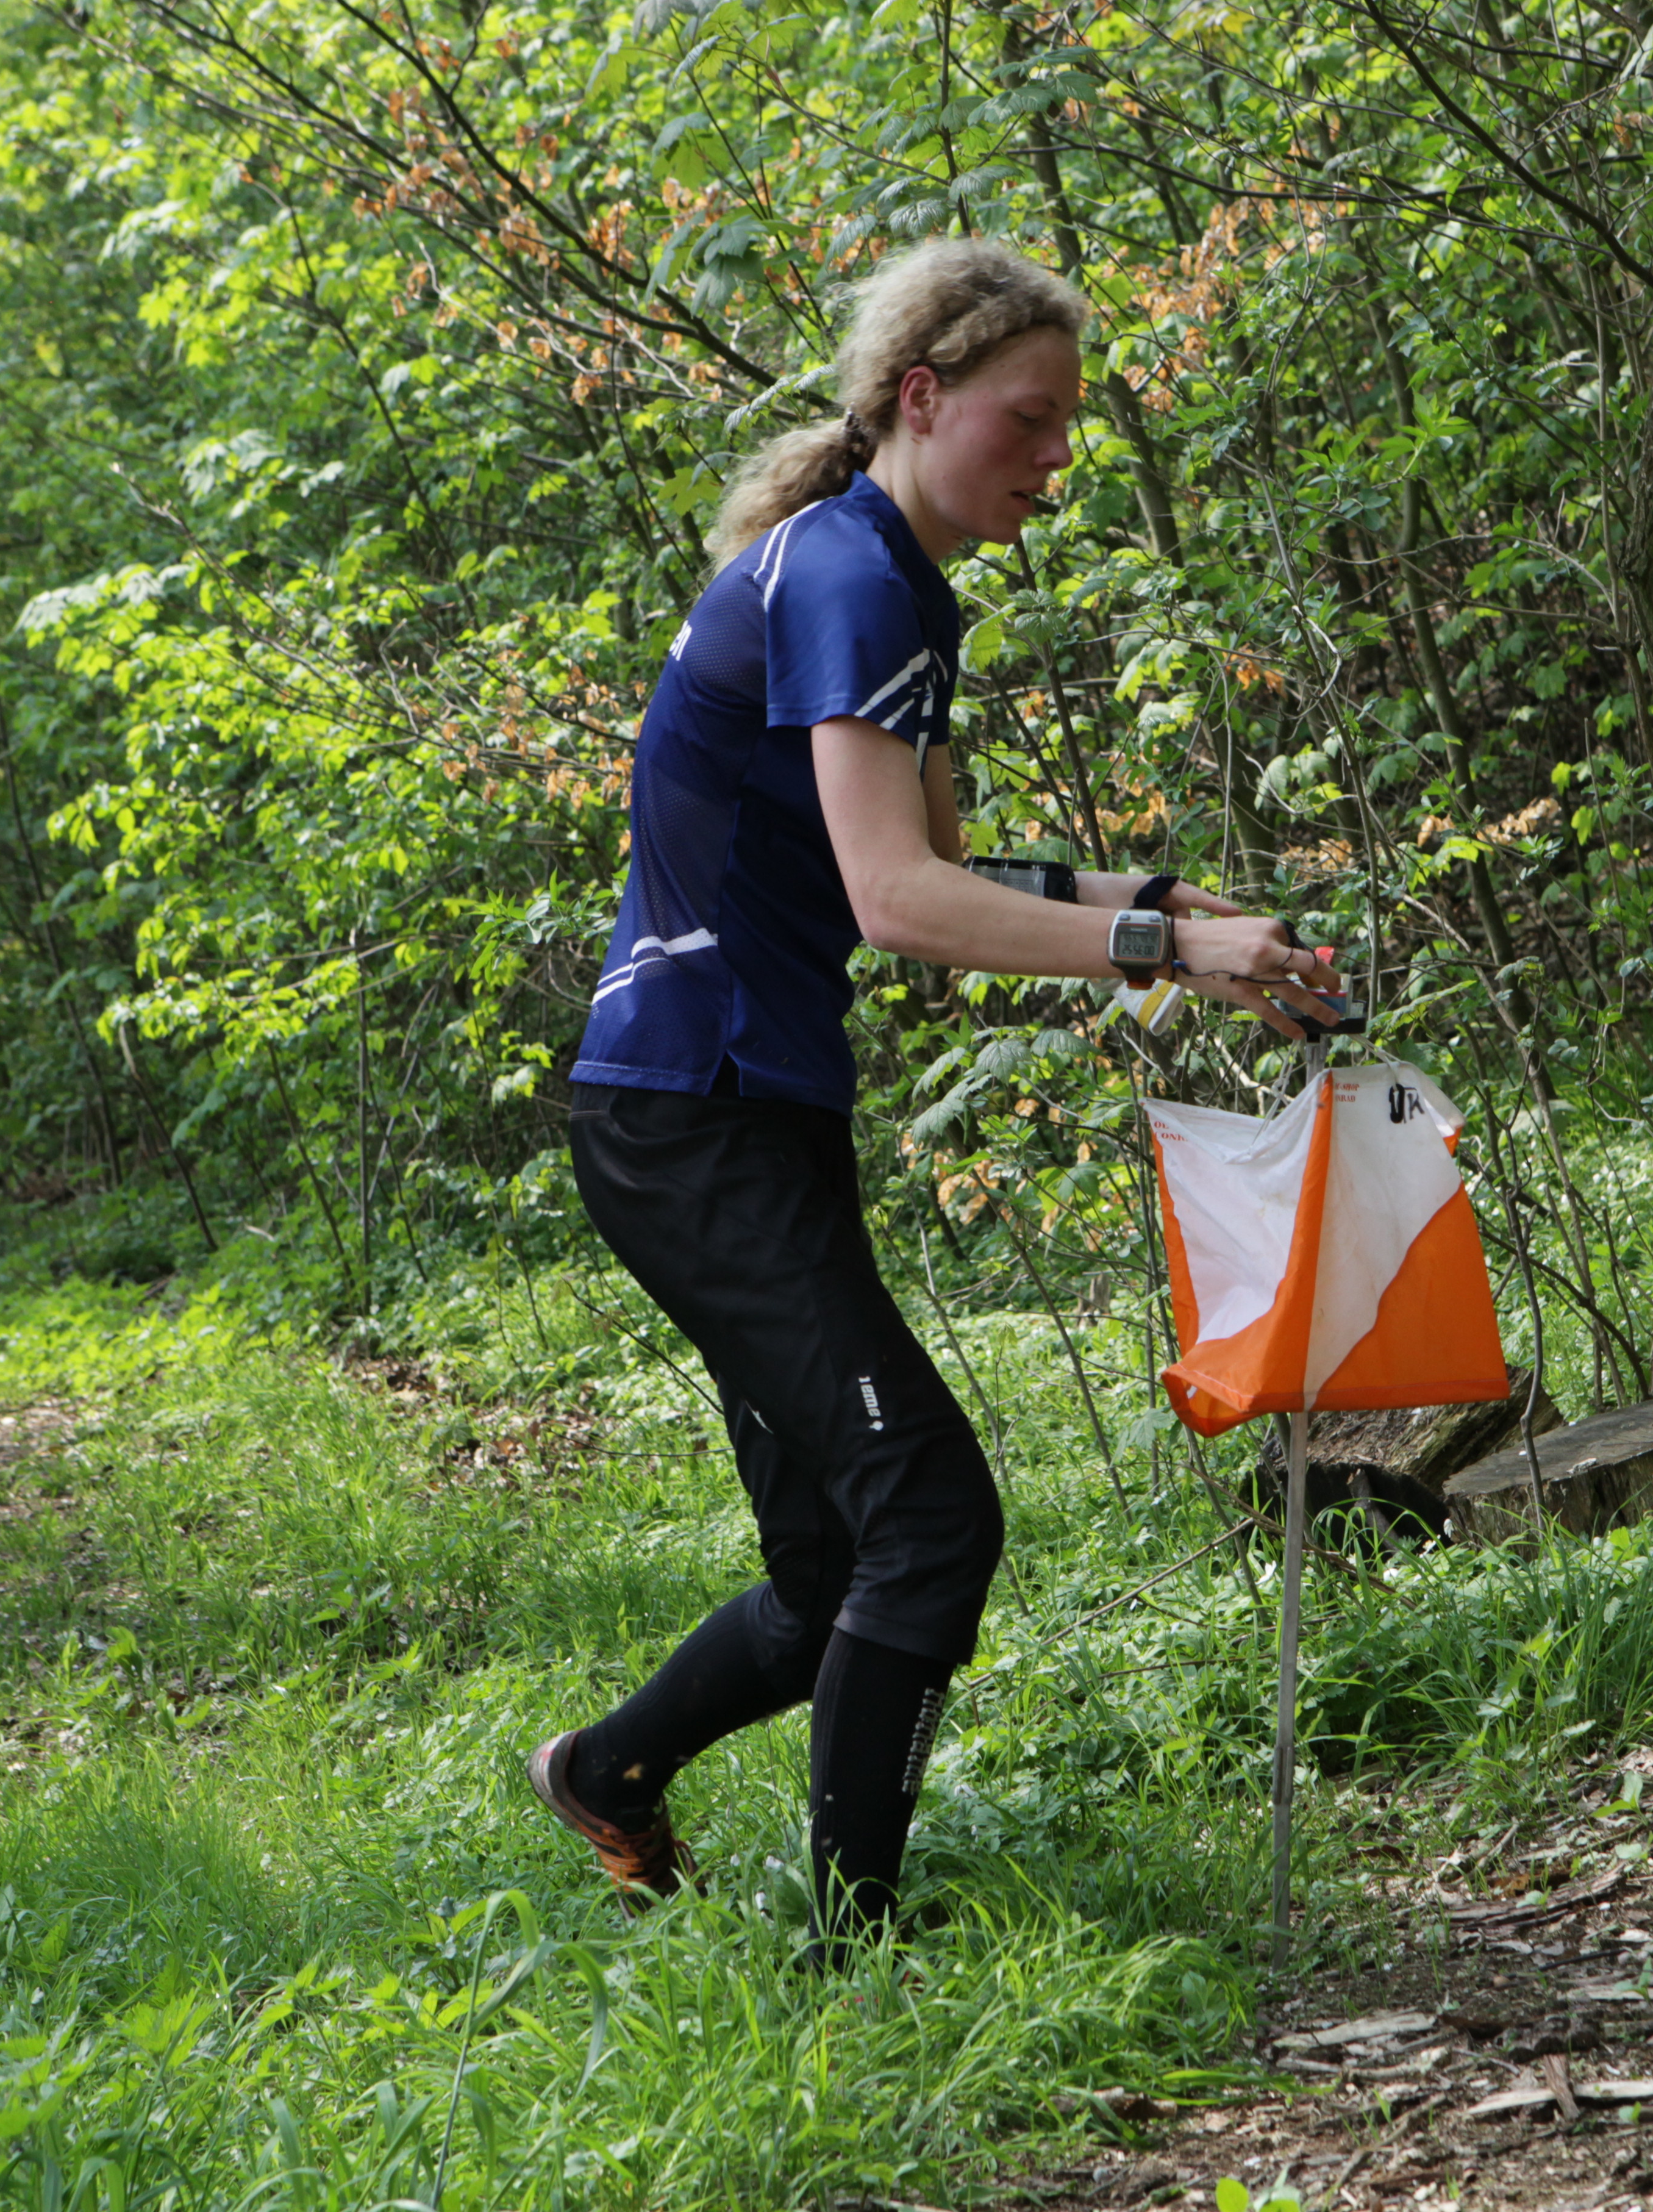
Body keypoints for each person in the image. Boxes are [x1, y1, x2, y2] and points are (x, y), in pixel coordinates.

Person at [526, 238, 1341, 1955]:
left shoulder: (875, 575)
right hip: (694, 1117)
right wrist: (1156, 951)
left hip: (731, 1114)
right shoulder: (850, 579)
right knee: (930, 1519)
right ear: (922, 396)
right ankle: (853, 1954)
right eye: (1031, 421)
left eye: (1068, 431)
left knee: (838, 1565)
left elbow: (916, 880)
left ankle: (608, 1771)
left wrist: (1160, 910)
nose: (1056, 460)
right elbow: (905, 908)